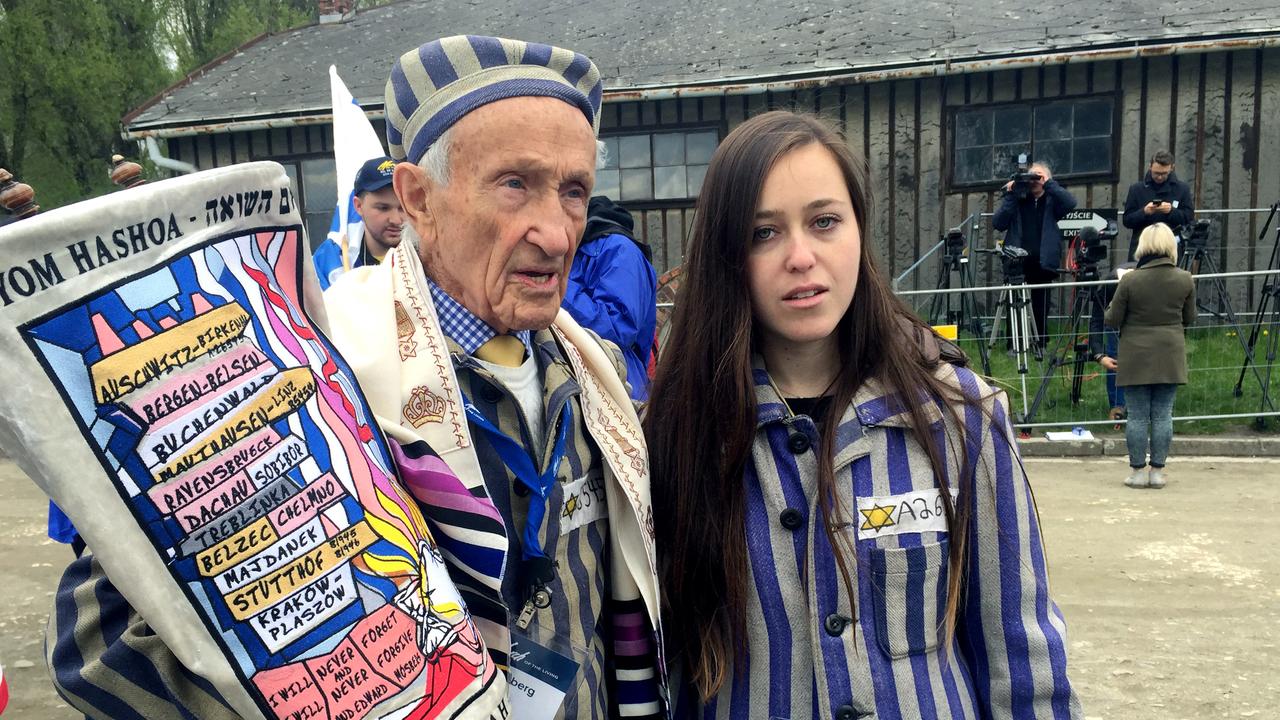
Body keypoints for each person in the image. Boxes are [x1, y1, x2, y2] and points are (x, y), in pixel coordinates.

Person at [47, 36, 664, 720]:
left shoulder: (596, 377)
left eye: (574, 190)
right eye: (515, 184)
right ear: (417, 198)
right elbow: (101, 649)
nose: (556, 232)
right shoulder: (304, 371)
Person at [644, 111, 1081, 718]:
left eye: (824, 221)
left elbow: (1023, 659)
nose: (800, 256)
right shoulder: (675, 436)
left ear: (859, 230)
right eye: (762, 233)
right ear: (726, 255)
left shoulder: (962, 416)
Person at [1104, 223, 1195, 489]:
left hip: (1136, 353)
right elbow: (1189, 318)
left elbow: (1112, 318)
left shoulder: (1130, 279)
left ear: (1143, 245)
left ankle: (1137, 472)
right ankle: (1157, 472)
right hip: (1170, 352)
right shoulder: (1185, 278)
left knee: (1139, 416)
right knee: (1163, 414)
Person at [562, 195, 657, 400]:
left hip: (619, 384)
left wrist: (558, 285)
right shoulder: (581, 249)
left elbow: (617, 327)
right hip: (586, 378)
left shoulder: (621, 249)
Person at [992, 161, 1077, 349]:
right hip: (1018, 261)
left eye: (1039, 177)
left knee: (1041, 305)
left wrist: (1049, 185)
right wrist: (1011, 195)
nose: (1035, 181)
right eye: (1032, 177)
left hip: (1043, 260)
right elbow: (998, 223)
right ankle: (1015, 344)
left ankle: (1040, 343)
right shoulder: (1018, 199)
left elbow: (1071, 203)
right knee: (1015, 303)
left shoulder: (1053, 201)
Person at [311, 155, 404, 289]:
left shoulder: (429, 256)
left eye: (403, 208)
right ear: (358, 206)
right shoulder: (330, 263)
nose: (396, 220)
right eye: (383, 208)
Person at [1122, 150, 1194, 261]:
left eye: (1164, 173)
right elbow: (1127, 220)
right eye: (1156, 173)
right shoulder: (1136, 189)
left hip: (1171, 247)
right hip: (1142, 247)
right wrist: (1144, 212)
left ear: (1171, 168)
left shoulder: (1182, 189)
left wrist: (1171, 211)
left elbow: (1188, 217)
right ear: (1150, 166)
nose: (1159, 177)